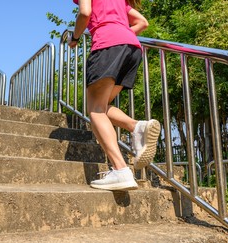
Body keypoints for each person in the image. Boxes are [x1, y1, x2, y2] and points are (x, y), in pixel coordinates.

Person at [69, 0, 161, 191]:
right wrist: (124, 33)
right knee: (101, 106)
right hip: (132, 49)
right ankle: (137, 127)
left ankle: (120, 170)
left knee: (95, 111)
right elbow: (143, 22)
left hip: (107, 45)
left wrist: (75, 37)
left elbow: (85, 13)